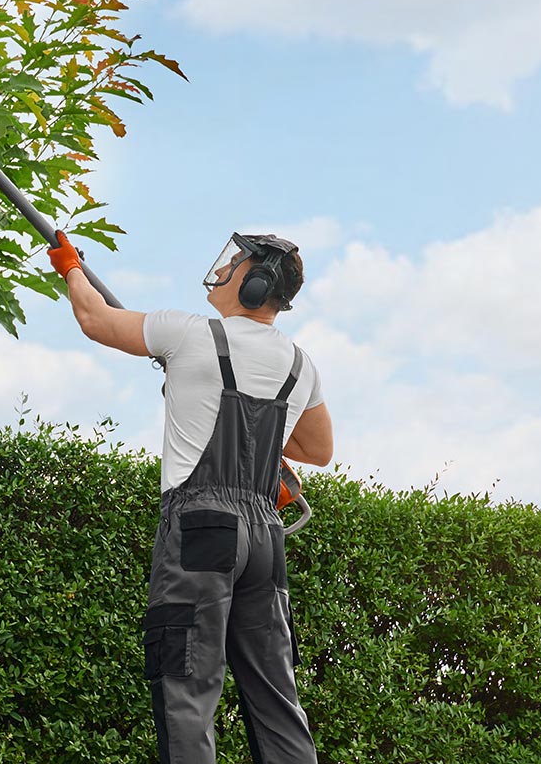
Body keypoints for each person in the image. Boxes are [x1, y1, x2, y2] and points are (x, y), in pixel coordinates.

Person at [48, 230, 330, 764]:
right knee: (275, 695)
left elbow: (96, 319)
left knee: (186, 684)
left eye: (234, 265)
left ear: (255, 282)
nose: (222, 271)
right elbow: (317, 449)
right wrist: (259, 444)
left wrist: (71, 267)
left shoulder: (188, 334)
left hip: (201, 526)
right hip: (265, 539)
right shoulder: (300, 365)